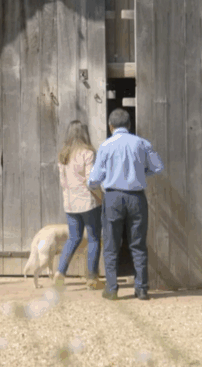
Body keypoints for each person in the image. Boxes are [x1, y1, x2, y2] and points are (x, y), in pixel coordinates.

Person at [86, 108, 164, 301]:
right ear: (129, 125)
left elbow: (94, 180)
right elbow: (158, 167)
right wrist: (141, 174)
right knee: (138, 244)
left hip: (113, 197)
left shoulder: (105, 146)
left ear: (110, 126)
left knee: (111, 245)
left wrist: (97, 185)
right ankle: (142, 289)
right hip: (137, 197)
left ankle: (112, 289)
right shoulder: (142, 143)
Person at [53, 120, 104, 290]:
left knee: (73, 238)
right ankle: (92, 279)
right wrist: (101, 197)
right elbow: (91, 181)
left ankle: (60, 272)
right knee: (94, 238)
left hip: (70, 203)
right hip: (88, 203)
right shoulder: (88, 153)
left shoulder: (63, 155)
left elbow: (63, 183)